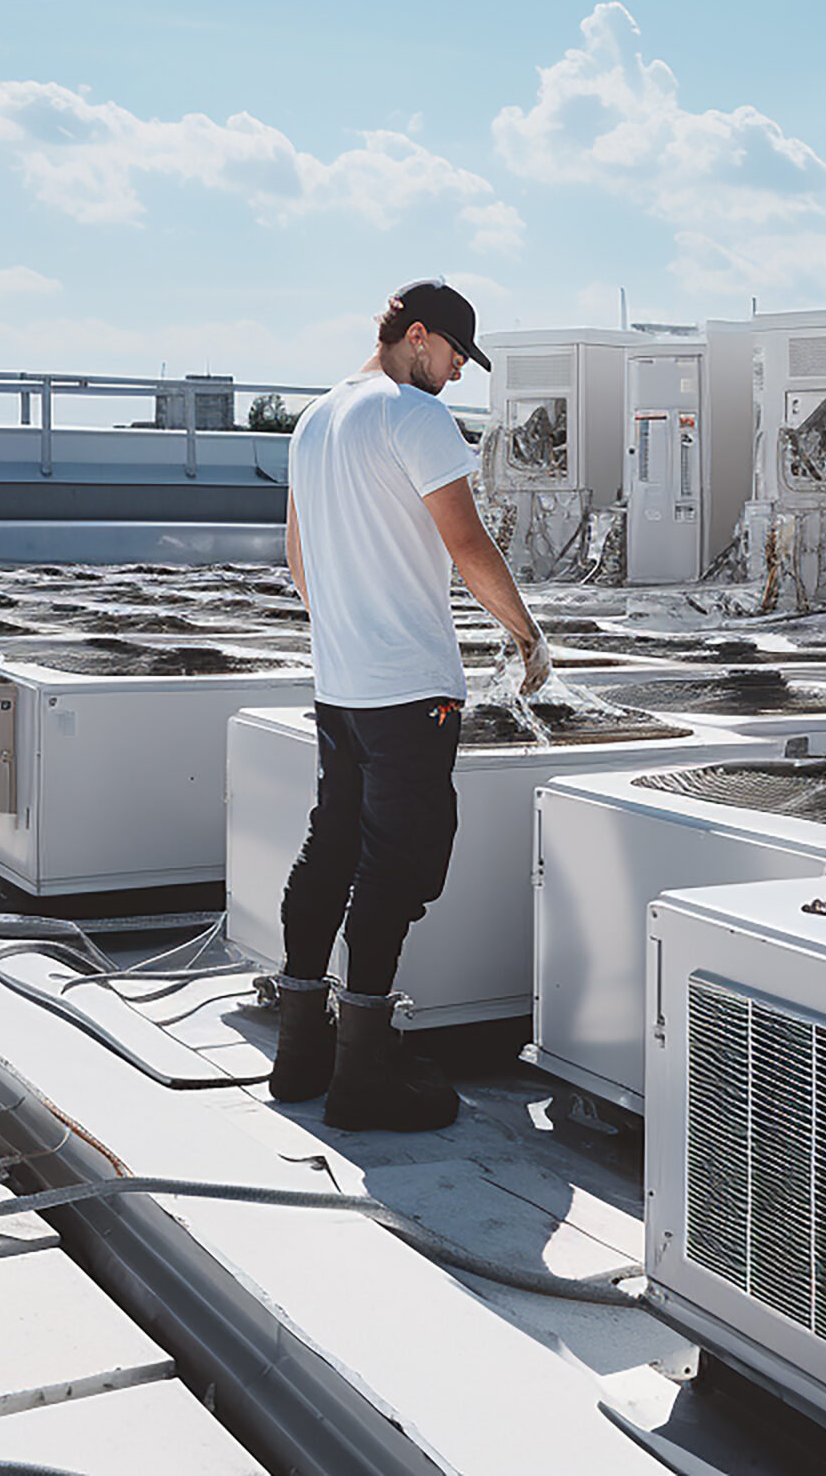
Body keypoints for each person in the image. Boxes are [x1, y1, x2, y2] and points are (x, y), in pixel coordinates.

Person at [272, 278, 554, 1131]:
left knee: (331, 849)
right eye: (458, 356)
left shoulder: (314, 419)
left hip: (340, 686)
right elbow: (465, 543)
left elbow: (296, 562)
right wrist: (528, 635)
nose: (460, 375)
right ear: (420, 337)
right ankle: (364, 1074)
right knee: (397, 867)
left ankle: (299, 1052)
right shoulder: (411, 414)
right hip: (410, 689)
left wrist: (350, 633)